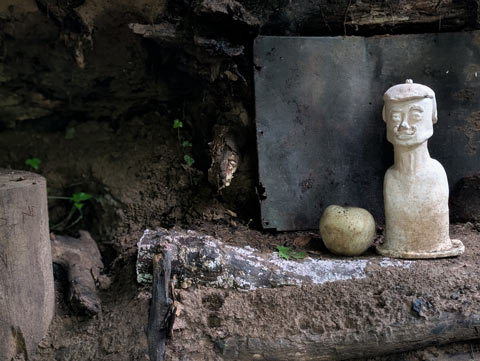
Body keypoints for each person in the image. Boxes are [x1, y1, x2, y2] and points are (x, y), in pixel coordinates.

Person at [376, 79, 464, 258]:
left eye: (415, 115)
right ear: (386, 118)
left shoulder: (436, 174)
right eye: (395, 116)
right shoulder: (391, 177)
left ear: (432, 118)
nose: (403, 125)